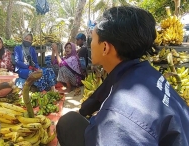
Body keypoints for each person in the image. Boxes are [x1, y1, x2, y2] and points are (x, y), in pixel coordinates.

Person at [56, 6, 189, 146]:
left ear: (105, 47)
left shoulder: (119, 116)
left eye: (92, 40)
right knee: (73, 119)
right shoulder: (144, 71)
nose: (90, 45)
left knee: (68, 123)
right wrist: (86, 110)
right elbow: (101, 93)